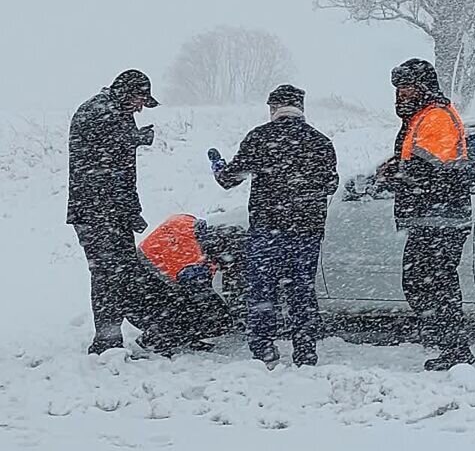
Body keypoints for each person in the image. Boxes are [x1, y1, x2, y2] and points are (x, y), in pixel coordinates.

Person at [209, 85, 338, 367]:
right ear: (301, 108)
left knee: (262, 289)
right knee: (301, 289)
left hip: (268, 229)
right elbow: (331, 184)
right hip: (307, 230)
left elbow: (229, 179)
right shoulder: (321, 142)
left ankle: (263, 347)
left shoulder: (260, 137)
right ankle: (305, 349)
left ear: (272, 109)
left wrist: (217, 165)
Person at [381, 59, 475, 370]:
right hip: (431, 217)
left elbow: (430, 171)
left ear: (422, 87)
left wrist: (396, 178)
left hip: (441, 218)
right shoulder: (421, 117)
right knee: (425, 282)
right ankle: (445, 338)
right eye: (397, 89)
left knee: (435, 284)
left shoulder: (435, 117)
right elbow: (420, 163)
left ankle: (454, 347)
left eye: (405, 87)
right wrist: (396, 167)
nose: (399, 95)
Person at [66, 69, 162, 355]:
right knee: (108, 274)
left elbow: (120, 168)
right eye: (139, 99)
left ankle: (154, 328)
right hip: (95, 211)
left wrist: (130, 210)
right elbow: (107, 164)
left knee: (126, 271)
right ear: (124, 93)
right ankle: (106, 341)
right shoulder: (98, 112)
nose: (141, 107)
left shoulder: (115, 112)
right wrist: (135, 138)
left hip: (111, 210)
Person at [139, 214, 243, 344]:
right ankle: (154, 341)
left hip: (133, 270)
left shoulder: (187, 222)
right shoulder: (195, 268)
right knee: (220, 320)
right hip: (150, 289)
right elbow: (204, 300)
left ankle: (169, 333)